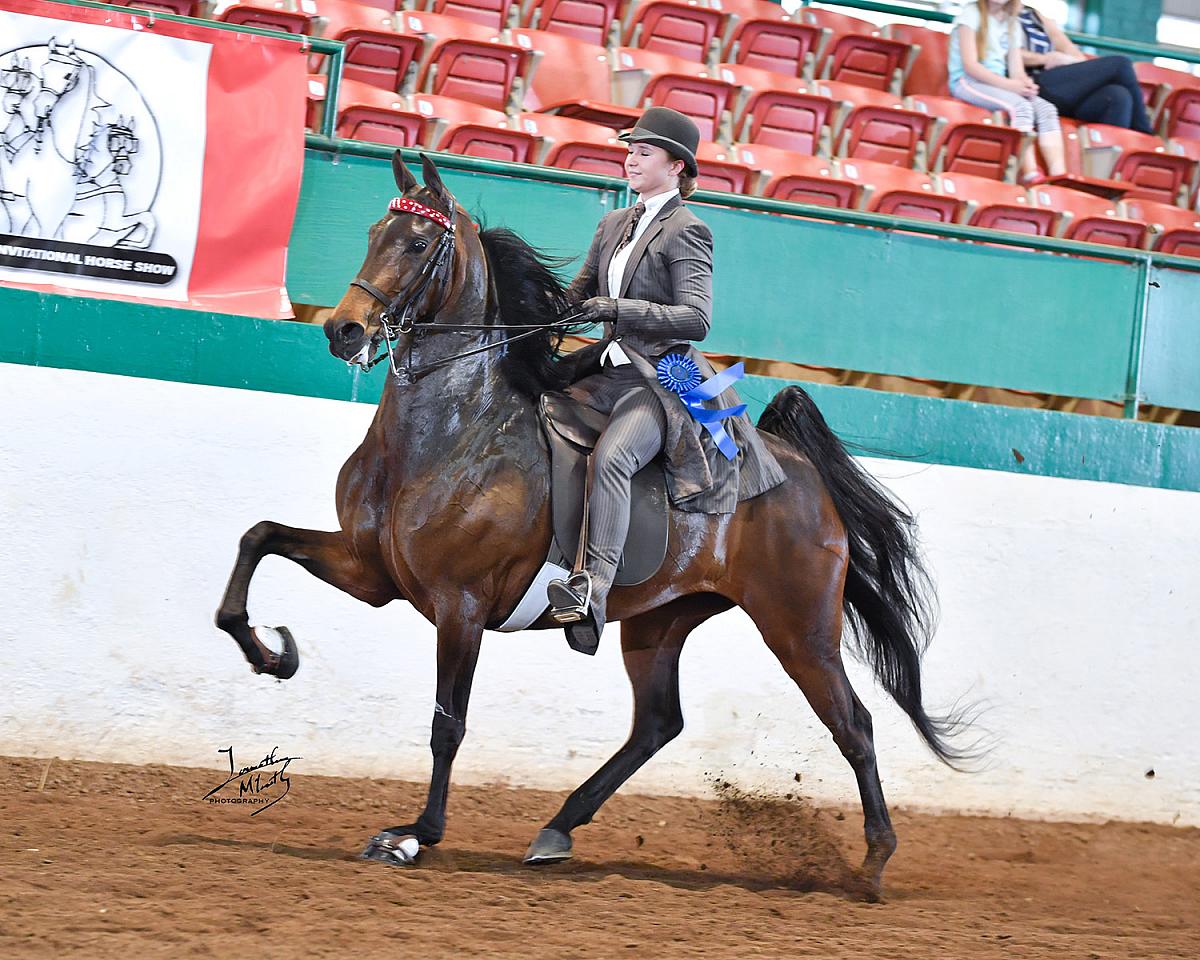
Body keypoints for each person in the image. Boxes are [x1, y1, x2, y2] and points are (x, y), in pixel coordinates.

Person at [545, 106, 785, 651]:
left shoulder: (688, 230)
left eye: (644, 151)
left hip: (658, 380)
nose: (631, 157)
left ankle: (592, 591)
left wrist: (619, 309)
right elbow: (580, 293)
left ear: (675, 166)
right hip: (604, 371)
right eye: (629, 149)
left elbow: (696, 319)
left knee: (613, 457)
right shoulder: (613, 223)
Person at [948, 0, 1067, 185]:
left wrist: (1024, 84)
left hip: (999, 83)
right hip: (968, 82)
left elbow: (1016, 69)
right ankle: (1030, 173)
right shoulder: (970, 14)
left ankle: (1059, 174)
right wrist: (1009, 86)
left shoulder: (1012, 21)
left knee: (1047, 109)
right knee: (1021, 107)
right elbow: (971, 66)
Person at [1017, 4, 1154, 134]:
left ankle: (1115, 156)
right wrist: (1046, 59)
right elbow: (1005, 53)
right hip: (1030, 84)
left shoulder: (1034, 15)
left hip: (1059, 85)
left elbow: (1074, 54)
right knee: (1121, 64)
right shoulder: (1002, 16)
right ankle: (1143, 133)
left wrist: (1067, 61)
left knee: (1118, 95)